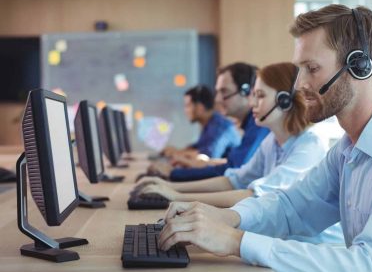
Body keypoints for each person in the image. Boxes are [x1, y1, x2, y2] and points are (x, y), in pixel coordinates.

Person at [154, 4, 372, 272]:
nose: (298, 86)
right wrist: (224, 218)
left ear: (359, 67)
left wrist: (235, 241)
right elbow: (291, 208)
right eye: (300, 70)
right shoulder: (348, 151)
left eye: (311, 69)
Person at [134, 62, 327, 209]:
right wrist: (169, 187)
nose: (253, 103)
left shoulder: (308, 147)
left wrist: (176, 195)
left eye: (260, 96)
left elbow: (254, 195)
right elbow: (233, 179)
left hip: (309, 250)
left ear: (284, 101)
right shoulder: (272, 142)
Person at [141, 62, 270, 182]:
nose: (218, 99)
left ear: (247, 92)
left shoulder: (255, 125)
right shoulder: (249, 126)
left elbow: (230, 169)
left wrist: (173, 174)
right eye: (217, 92)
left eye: (224, 92)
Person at [161, 85, 241, 161]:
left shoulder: (219, 126)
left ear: (200, 107)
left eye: (188, 105)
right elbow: (198, 147)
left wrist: (177, 153)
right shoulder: (209, 124)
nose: (185, 111)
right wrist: (176, 151)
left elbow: (207, 156)